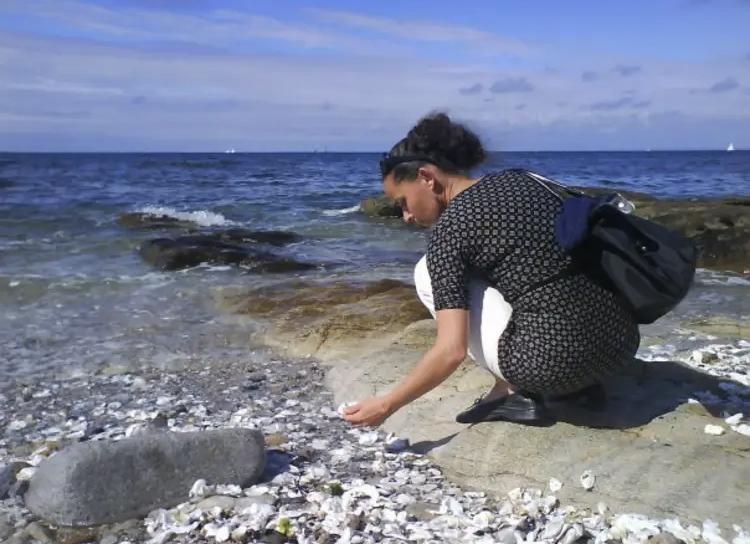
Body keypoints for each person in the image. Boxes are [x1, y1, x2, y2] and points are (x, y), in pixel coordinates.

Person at [343, 112, 640, 428]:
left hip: (556, 366)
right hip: (620, 348)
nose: (406, 216)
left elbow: (451, 351)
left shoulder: (451, 229)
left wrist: (387, 404)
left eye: (403, 202)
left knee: (426, 272)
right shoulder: (525, 180)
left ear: (427, 178)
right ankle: (576, 387)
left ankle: (515, 391)